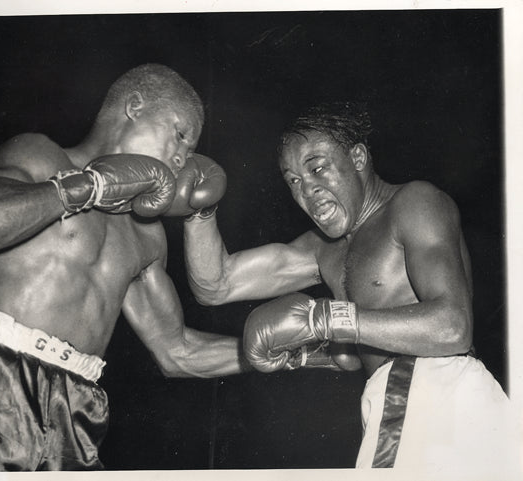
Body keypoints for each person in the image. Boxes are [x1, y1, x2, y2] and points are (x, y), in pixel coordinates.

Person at [0, 63, 246, 471]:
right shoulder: (41, 155)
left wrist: (285, 352)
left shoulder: (146, 235)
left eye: (188, 152)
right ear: (135, 106)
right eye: (179, 134)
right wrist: (84, 188)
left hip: (76, 407)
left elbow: (177, 352)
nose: (181, 158)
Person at [183, 102, 519, 475]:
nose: (307, 190)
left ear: (358, 157)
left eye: (318, 168)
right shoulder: (323, 249)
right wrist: (198, 210)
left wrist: (324, 319)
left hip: (433, 393)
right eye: (293, 181)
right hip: (398, 402)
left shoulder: (413, 203)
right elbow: (215, 285)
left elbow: (452, 327)